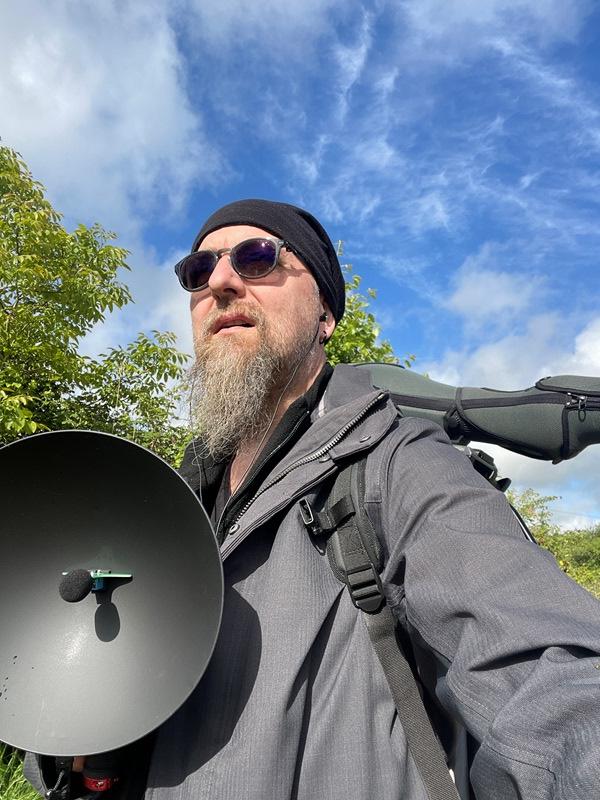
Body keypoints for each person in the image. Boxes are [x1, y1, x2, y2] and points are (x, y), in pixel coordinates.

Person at [27, 199, 600, 799]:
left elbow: (544, 676)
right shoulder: (168, 507)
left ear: (324, 312)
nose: (220, 282)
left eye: (256, 258)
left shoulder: (397, 464)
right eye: (198, 270)